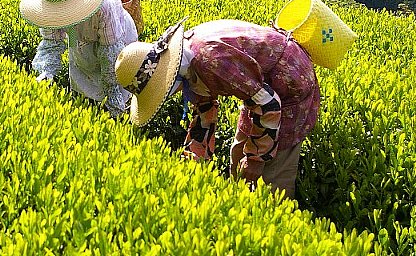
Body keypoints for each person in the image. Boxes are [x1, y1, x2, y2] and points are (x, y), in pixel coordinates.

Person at [114, 18, 320, 199]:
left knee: (272, 172)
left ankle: (276, 224)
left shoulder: (210, 61)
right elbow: (205, 112)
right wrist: (194, 155)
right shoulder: (188, 63)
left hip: (290, 82)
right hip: (261, 91)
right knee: (238, 155)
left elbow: (269, 104)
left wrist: (257, 159)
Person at [19, 0, 138, 118]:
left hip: (116, 37)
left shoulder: (104, 7)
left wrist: (112, 92)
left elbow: (111, 54)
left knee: (114, 86)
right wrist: (46, 72)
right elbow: (51, 43)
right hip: (81, 39)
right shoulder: (49, 10)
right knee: (82, 70)